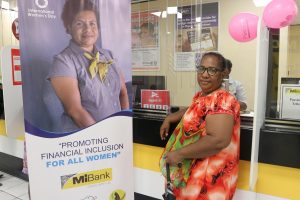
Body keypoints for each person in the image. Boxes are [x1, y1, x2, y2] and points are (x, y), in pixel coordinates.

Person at [159, 52, 240, 200]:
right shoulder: (202, 96)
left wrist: (179, 154)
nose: (205, 74)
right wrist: (171, 118)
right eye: (201, 69)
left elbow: (218, 140)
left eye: (212, 70)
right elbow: (193, 109)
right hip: (191, 176)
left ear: (223, 74)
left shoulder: (223, 99)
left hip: (209, 182)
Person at [48, 0, 129, 132]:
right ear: (68, 27)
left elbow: (123, 93)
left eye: (92, 23)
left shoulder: (108, 55)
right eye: (80, 24)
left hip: (116, 136)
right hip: (86, 141)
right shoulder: (63, 61)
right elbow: (75, 110)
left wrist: (124, 127)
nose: (88, 29)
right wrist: (104, 137)